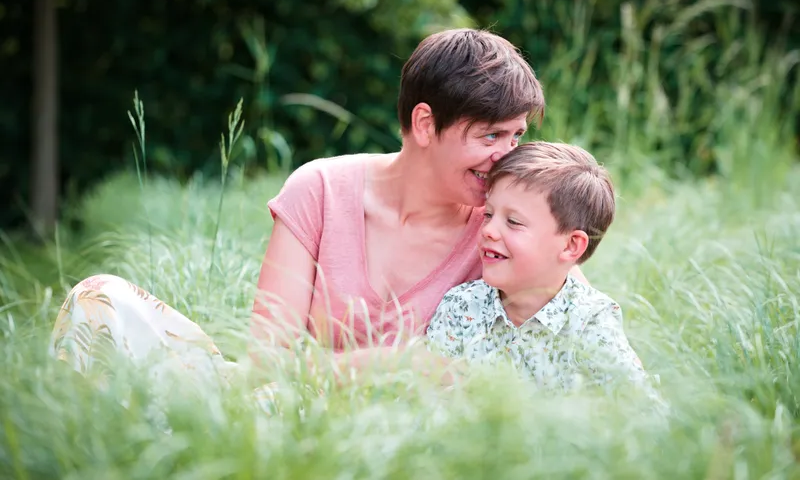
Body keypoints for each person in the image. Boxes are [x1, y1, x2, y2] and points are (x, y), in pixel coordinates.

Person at [49, 28, 586, 383]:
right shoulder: (322, 190)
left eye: (516, 137)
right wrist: (391, 364)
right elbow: (265, 363)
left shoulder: (502, 229)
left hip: (395, 443)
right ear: (425, 124)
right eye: (492, 137)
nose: (507, 157)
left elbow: (568, 327)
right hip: (281, 407)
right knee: (99, 298)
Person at [426, 141, 658, 398]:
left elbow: (642, 409)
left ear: (571, 245)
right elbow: (430, 400)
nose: (488, 230)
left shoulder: (590, 321)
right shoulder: (461, 307)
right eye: (489, 215)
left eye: (513, 221)